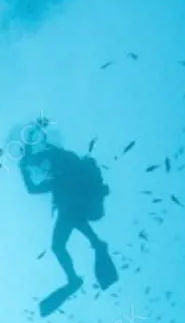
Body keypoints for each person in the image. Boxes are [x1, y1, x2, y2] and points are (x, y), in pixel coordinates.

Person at [19, 134, 117, 313]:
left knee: (58, 246)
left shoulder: (59, 174)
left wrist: (23, 166)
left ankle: (75, 277)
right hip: (75, 210)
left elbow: (32, 188)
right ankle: (96, 246)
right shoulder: (67, 162)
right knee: (68, 238)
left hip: (69, 211)